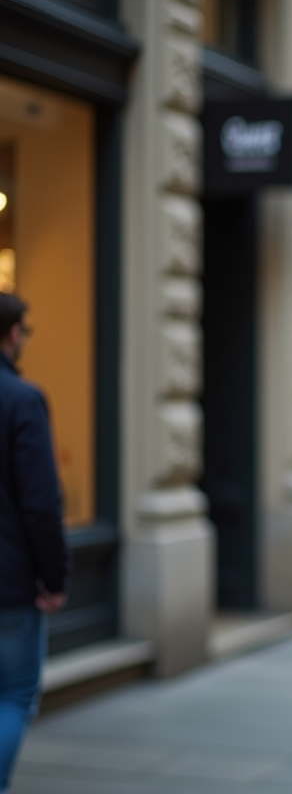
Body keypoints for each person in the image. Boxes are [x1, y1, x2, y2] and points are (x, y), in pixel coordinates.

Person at [0, 293, 69, 793]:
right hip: (9, 584)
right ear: (12, 333)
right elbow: (42, 503)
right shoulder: (22, 400)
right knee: (15, 694)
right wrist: (56, 577)